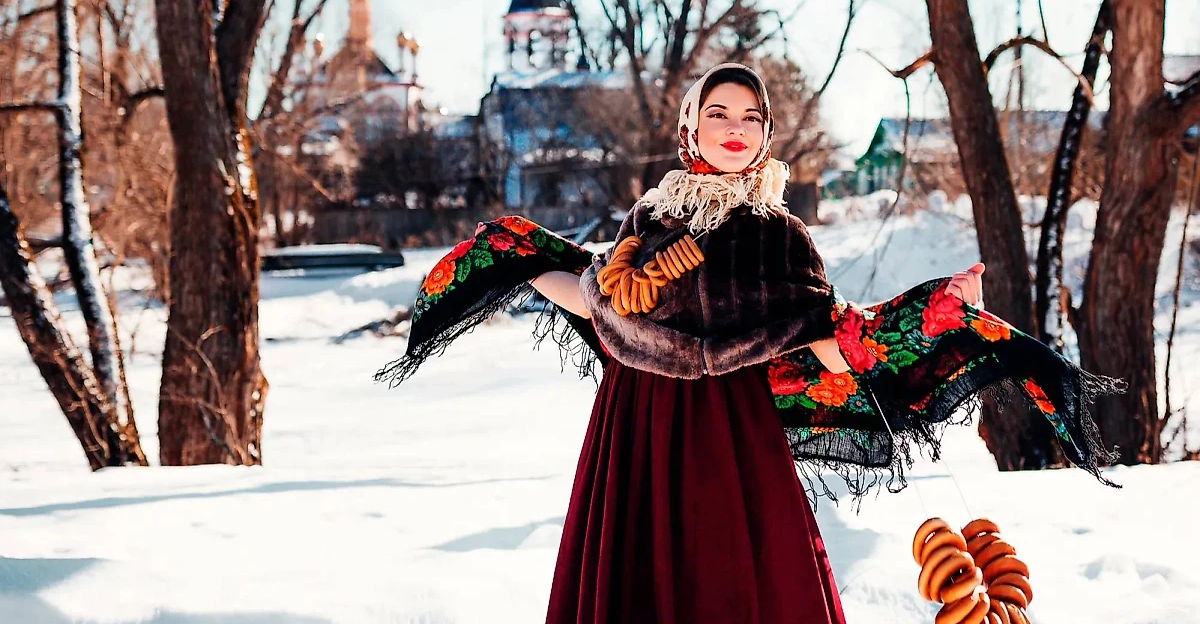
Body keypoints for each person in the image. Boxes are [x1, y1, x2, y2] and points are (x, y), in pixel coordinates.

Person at [377, 63, 1116, 624]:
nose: (736, 127)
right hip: (634, 426)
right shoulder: (649, 219)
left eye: (751, 117)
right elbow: (603, 303)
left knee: (743, 577)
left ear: (765, 134)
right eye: (718, 113)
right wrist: (522, 258)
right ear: (689, 128)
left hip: (732, 435)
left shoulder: (779, 238)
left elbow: (832, 340)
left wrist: (938, 313)